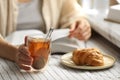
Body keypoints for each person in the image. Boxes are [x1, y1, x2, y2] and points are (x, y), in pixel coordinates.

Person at [0, 0, 91, 70]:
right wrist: (14, 53)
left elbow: (74, 13)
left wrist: (80, 24)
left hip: (46, 60)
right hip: (7, 59)